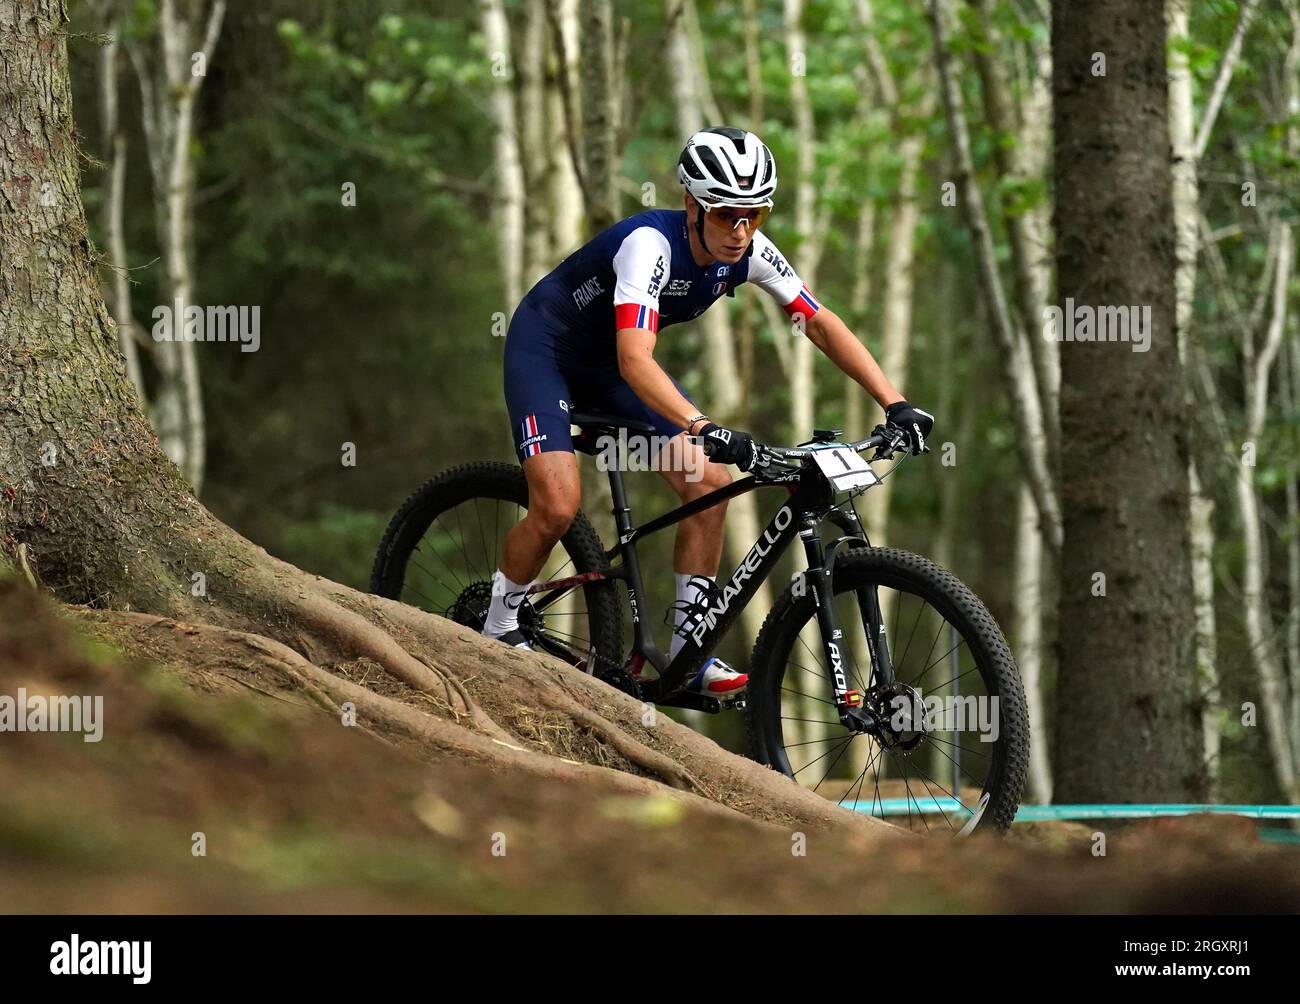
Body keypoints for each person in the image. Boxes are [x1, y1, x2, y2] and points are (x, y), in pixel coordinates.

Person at [484, 126, 933, 700]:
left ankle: (687, 651)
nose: (740, 230)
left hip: (611, 366)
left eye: (755, 215)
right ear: (693, 205)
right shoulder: (651, 245)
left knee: (707, 483)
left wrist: (893, 402)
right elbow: (635, 358)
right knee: (557, 504)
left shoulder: (746, 252)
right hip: (546, 350)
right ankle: (496, 627)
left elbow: (818, 322)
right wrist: (702, 426)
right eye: (725, 215)